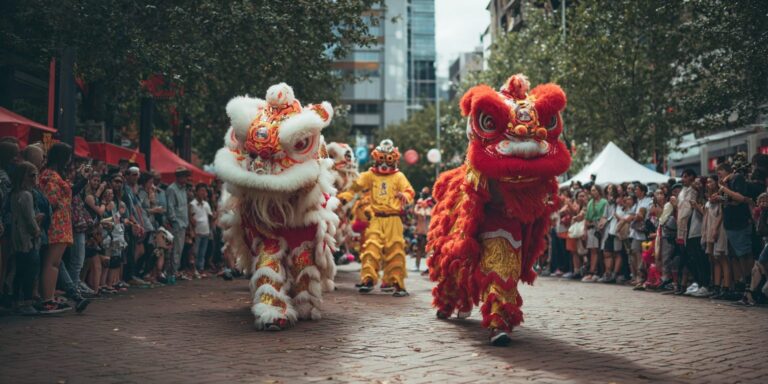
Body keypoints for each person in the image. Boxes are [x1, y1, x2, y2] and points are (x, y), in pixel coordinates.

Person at [339, 139, 415, 297]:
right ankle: (368, 279)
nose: (384, 164)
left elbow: (410, 191)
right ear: (376, 158)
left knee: (395, 249)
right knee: (371, 248)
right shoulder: (370, 175)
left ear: (394, 160)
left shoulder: (399, 176)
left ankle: (397, 283)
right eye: (381, 159)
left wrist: (404, 195)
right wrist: (345, 197)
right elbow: (355, 187)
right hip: (376, 218)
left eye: (388, 160)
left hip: (394, 219)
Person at [38, 143, 86, 313]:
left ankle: (49, 298)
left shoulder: (53, 174)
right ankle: (47, 300)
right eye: (68, 156)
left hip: (62, 224)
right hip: (56, 224)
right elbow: (51, 200)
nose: (70, 160)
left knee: (55, 263)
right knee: (51, 263)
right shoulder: (50, 175)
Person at [10, 162, 43, 314]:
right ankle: (26, 302)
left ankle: (16, 301)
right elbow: (29, 219)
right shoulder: (26, 195)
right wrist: (37, 231)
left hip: (17, 239)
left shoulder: (14, 194)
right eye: (32, 175)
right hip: (28, 240)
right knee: (30, 270)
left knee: (20, 270)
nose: (35, 178)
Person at [717, 162, 754, 297]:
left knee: (744, 254)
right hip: (730, 224)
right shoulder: (726, 184)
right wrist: (720, 197)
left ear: (727, 171)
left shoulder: (737, 178)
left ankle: (750, 286)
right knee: (737, 256)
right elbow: (730, 201)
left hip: (740, 223)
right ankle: (743, 285)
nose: (719, 176)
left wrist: (723, 188)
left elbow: (739, 199)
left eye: (720, 172)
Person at [166, 167, 190, 279]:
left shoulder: (183, 189)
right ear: (179, 177)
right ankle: (172, 272)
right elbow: (170, 207)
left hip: (183, 223)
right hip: (177, 224)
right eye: (184, 176)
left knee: (179, 249)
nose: (186, 178)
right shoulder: (172, 189)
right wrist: (175, 222)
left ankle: (175, 271)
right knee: (175, 249)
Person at [629, 183, 653, 289]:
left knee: (643, 256)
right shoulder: (638, 201)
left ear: (643, 191)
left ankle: (642, 278)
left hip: (644, 234)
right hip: (636, 233)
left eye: (637, 189)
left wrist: (632, 217)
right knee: (634, 253)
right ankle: (638, 277)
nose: (635, 191)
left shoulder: (648, 201)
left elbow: (640, 216)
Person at [582, 185, 607, 282]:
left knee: (599, 251)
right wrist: (584, 231)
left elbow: (605, 216)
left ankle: (596, 272)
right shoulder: (590, 203)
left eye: (594, 190)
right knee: (592, 251)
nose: (592, 192)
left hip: (601, 229)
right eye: (592, 190)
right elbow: (587, 218)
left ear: (599, 191)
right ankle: (593, 272)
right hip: (591, 229)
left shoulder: (604, 202)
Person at [190, 183, 213, 278]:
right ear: (196, 192)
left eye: (204, 191)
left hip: (206, 231)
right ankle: (194, 269)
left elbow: (210, 216)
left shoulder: (206, 204)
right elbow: (191, 218)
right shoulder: (192, 204)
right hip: (197, 231)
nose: (203, 193)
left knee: (202, 253)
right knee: (195, 252)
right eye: (201, 190)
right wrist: (192, 230)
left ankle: (201, 268)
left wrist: (210, 228)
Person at [413, 186, 434, 274]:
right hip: (420, 229)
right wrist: (421, 206)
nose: (423, 194)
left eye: (425, 192)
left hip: (428, 229)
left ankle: (428, 266)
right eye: (423, 192)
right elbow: (415, 212)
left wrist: (427, 205)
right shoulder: (419, 203)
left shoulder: (431, 203)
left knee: (429, 249)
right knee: (419, 248)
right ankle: (416, 265)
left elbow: (432, 213)